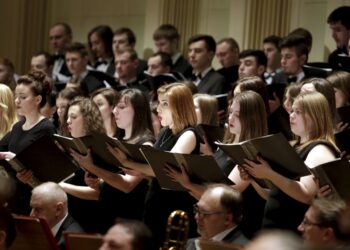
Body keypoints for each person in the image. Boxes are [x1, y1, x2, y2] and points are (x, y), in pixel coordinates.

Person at [166, 90, 268, 238]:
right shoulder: (225, 146)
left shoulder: (251, 152)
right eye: (231, 112)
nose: (231, 118)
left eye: (237, 115)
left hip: (239, 231)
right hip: (214, 225)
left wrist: (188, 184)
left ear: (251, 118)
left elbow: (227, 195)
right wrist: (187, 182)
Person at [109, 83, 200, 247]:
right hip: (155, 202)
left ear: (179, 106)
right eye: (159, 102)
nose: (158, 108)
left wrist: (128, 162)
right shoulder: (166, 131)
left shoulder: (189, 134)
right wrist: (141, 173)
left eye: (165, 104)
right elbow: (155, 171)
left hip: (173, 206)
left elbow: (165, 167)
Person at [244, 92, 340, 232]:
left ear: (316, 116)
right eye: (292, 111)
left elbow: (305, 194)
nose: (291, 115)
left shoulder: (320, 149)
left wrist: (269, 174)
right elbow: (275, 193)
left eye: (298, 112)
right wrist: (253, 178)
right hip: (274, 230)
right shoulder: (294, 145)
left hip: (292, 231)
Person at [62, 89, 154, 233]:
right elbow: (112, 185)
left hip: (128, 222)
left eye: (122, 107)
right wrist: (98, 183)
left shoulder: (146, 144)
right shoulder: (118, 141)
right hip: (109, 216)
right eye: (115, 106)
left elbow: (127, 185)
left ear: (138, 110)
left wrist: (92, 168)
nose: (115, 111)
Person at [0, 71, 56, 214]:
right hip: (13, 196)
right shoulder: (18, 126)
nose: (17, 101)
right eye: (16, 96)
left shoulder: (46, 128)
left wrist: (30, 178)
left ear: (38, 99)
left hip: (32, 200)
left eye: (23, 97)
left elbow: (52, 174)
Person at [186, 184, 249, 250]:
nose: (196, 217)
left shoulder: (247, 248)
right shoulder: (188, 244)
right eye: (197, 209)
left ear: (227, 219)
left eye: (204, 212)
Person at [30, 182, 83, 249]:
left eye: (38, 209)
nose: (31, 215)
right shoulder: (38, 230)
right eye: (32, 208)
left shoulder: (73, 241)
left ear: (58, 209)